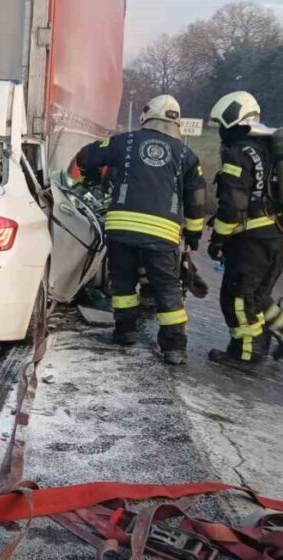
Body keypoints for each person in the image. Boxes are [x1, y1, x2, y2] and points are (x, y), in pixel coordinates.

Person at [74, 95, 206, 365]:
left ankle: (125, 333)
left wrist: (93, 179)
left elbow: (85, 156)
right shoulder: (187, 155)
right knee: (167, 288)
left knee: (123, 283)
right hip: (163, 234)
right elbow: (196, 199)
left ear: (146, 116)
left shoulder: (125, 141)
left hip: (121, 229)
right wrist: (193, 236)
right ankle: (174, 348)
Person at [206, 91, 283, 366]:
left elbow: (232, 205)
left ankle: (247, 353)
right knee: (257, 295)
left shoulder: (238, 153)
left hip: (256, 241)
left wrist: (218, 239)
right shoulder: (273, 147)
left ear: (234, 121)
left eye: (222, 125)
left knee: (237, 296)